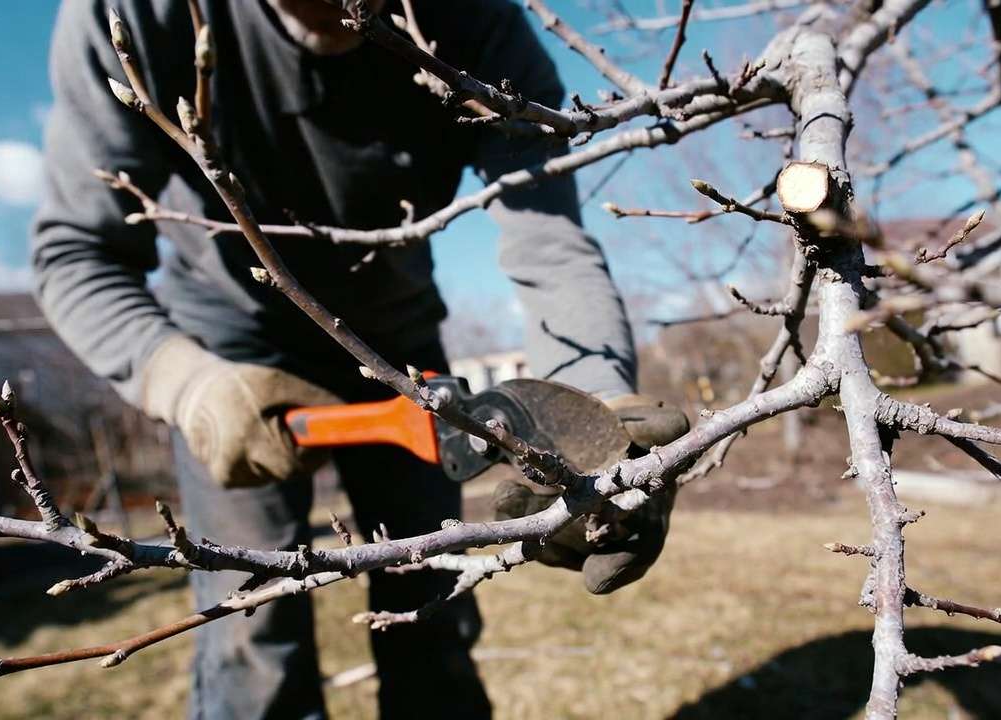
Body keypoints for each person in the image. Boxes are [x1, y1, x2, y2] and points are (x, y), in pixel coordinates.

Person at [33, 1, 686, 717]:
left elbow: (548, 240)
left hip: (401, 350)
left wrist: (597, 411)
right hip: (227, 350)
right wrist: (186, 386)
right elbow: (76, 254)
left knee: (430, 611)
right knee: (251, 630)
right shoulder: (133, 15)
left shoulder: (478, 21)